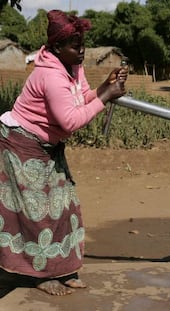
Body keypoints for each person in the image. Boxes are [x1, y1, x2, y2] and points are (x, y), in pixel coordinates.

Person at [0, 10, 127, 297]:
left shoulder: (72, 66)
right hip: (21, 145)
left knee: (64, 206)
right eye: (74, 45)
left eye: (82, 43)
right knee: (37, 214)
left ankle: (62, 268)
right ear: (57, 48)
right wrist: (106, 97)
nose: (81, 51)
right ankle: (39, 275)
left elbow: (81, 99)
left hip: (47, 147)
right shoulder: (49, 75)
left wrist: (104, 87)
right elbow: (70, 121)